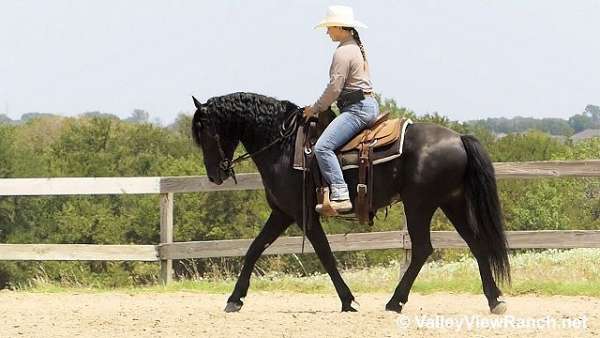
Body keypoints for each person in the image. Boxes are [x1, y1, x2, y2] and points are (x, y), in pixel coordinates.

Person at [304, 5, 380, 213]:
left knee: (322, 147)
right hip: (367, 104)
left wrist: (316, 108)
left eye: (329, 27)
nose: (327, 32)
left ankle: (340, 193)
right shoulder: (355, 47)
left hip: (357, 109)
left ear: (339, 27)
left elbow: (334, 88)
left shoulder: (343, 52)